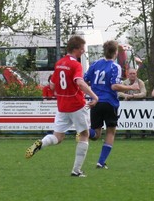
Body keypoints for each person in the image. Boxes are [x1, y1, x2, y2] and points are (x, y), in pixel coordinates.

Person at [25, 35, 99, 177]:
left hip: (62, 105)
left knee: (57, 137)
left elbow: (52, 85)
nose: (83, 51)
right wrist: (94, 96)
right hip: (77, 104)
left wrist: (62, 91)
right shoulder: (76, 65)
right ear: (76, 49)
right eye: (82, 48)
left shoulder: (59, 63)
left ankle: (41, 143)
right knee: (84, 135)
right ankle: (76, 171)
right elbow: (80, 82)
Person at [84, 40, 138, 169]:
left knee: (96, 134)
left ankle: (84, 132)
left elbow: (85, 80)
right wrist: (131, 87)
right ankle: (101, 162)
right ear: (116, 53)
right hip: (109, 102)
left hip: (96, 101)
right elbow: (114, 86)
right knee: (110, 132)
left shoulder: (95, 64)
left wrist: (95, 86)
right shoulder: (115, 66)